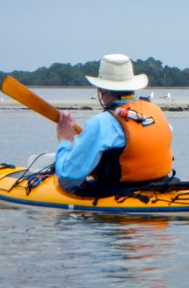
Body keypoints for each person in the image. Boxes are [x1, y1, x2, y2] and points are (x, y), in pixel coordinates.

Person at [55, 53, 173, 194]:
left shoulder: (100, 123)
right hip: (160, 184)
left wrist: (65, 141)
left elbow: (70, 174)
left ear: (101, 90)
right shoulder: (156, 111)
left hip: (120, 192)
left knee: (63, 181)